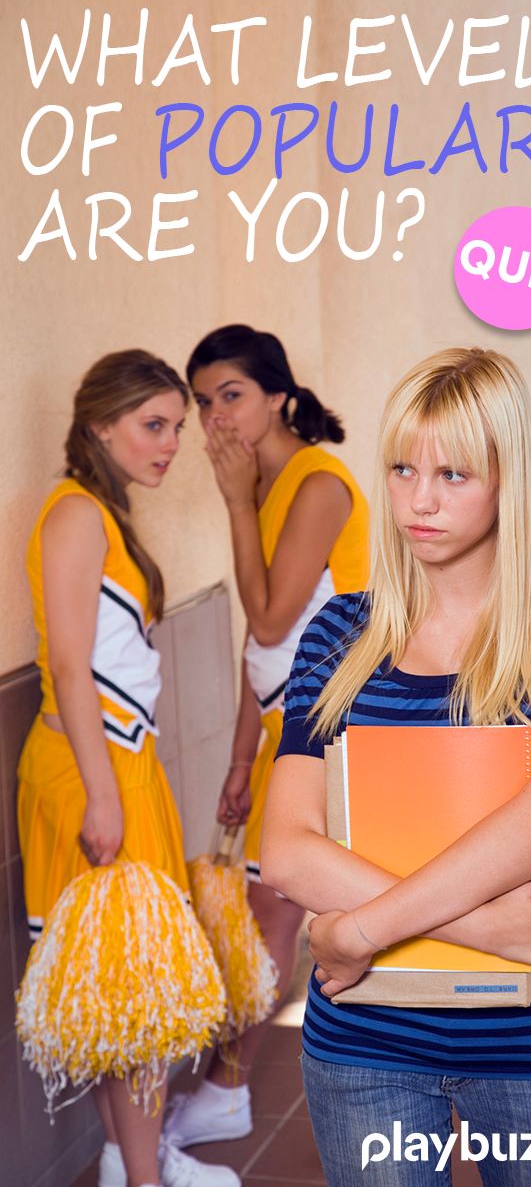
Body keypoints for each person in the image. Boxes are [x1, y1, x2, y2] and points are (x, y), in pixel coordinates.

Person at [261, 347, 531, 1186]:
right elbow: (287, 848)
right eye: (403, 467)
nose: (418, 500)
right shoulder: (340, 631)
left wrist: (353, 930)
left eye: (454, 474)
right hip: (364, 1044)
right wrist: (478, 926)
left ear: (504, 478)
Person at [17, 351, 240, 1187]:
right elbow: (69, 667)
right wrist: (105, 794)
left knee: (128, 988)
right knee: (131, 996)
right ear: (100, 424)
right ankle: (147, 1179)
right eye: (154, 425)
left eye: (176, 427)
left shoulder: (103, 514)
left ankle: (128, 1158)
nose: (170, 443)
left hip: (120, 763)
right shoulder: (77, 515)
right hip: (91, 770)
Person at [164, 324, 370, 1147]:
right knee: (272, 916)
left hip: (328, 732)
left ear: (280, 395)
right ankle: (228, 1083)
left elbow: (270, 613)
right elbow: (269, 649)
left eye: (233, 396)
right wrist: (242, 753)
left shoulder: (316, 482)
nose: (216, 419)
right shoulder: (271, 483)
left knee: (271, 919)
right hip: (290, 723)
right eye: (204, 402)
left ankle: (228, 1083)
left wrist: (235, 501)